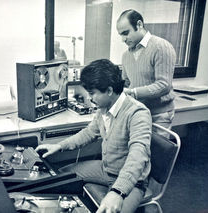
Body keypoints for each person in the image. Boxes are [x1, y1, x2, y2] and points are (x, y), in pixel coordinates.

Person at [36, 59, 152, 213]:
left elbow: (138, 155)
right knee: (61, 177)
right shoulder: (104, 107)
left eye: (92, 93)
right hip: (106, 169)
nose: (90, 98)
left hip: (132, 181)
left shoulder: (138, 113)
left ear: (109, 91)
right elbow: (89, 132)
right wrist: (59, 146)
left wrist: (118, 192)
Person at [116, 9, 176, 137]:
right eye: (120, 34)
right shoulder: (126, 55)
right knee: (137, 153)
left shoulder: (161, 47)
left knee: (156, 155)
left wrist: (133, 92)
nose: (123, 39)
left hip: (159, 115)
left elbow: (163, 85)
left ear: (139, 25)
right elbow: (126, 83)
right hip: (137, 113)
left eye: (126, 33)